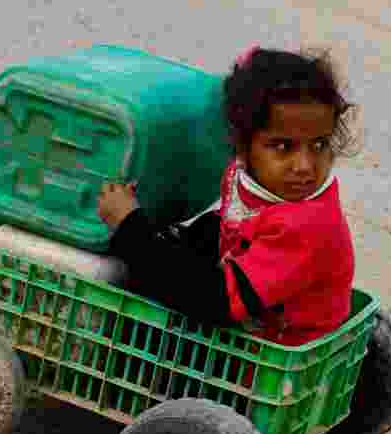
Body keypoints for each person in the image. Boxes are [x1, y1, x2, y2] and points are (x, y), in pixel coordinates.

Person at [96, 44, 359, 353]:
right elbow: (232, 225)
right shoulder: (248, 176)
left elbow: (214, 301)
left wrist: (133, 230)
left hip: (268, 354)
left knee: (137, 329)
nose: (304, 166)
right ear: (242, 144)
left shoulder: (306, 228)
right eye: (284, 147)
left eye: (318, 145)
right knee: (187, 244)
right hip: (251, 297)